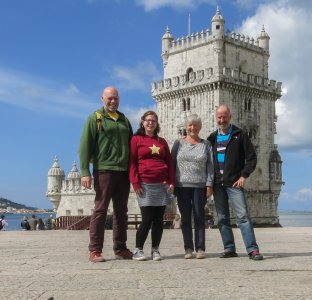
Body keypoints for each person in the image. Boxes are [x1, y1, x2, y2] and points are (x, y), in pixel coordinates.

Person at [79, 86, 134, 262]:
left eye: (115, 98)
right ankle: (95, 249)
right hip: (104, 169)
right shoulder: (94, 118)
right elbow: (84, 146)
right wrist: (85, 172)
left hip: (123, 171)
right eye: (109, 98)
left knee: (121, 211)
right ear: (102, 98)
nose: (113, 101)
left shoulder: (124, 120)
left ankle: (120, 248)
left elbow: (132, 145)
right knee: (101, 209)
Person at [207, 105, 263, 261]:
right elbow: (207, 163)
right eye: (219, 117)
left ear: (230, 117)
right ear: (216, 118)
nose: (222, 120)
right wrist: (209, 184)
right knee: (222, 218)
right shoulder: (211, 138)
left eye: (224, 116)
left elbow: (251, 157)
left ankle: (252, 250)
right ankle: (229, 248)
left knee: (243, 216)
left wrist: (244, 175)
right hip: (218, 184)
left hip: (234, 183)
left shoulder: (240, 134)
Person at [129, 110, 175, 261]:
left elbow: (169, 162)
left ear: (157, 124)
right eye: (148, 120)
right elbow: (132, 163)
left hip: (161, 185)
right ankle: (138, 249)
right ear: (142, 122)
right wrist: (135, 183)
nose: (150, 123)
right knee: (147, 219)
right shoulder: (136, 140)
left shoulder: (162, 142)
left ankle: (155, 249)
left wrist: (171, 182)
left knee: (158, 220)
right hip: (145, 184)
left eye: (153, 121)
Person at [172, 114, 214, 259]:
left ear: (200, 127)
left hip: (200, 186)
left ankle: (200, 248)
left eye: (195, 125)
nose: (192, 128)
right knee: (185, 218)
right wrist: (172, 183)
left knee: (199, 216)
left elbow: (210, 166)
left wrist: (209, 185)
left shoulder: (206, 144)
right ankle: (188, 248)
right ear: (186, 127)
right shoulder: (178, 143)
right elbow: (172, 164)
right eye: (190, 125)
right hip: (182, 185)